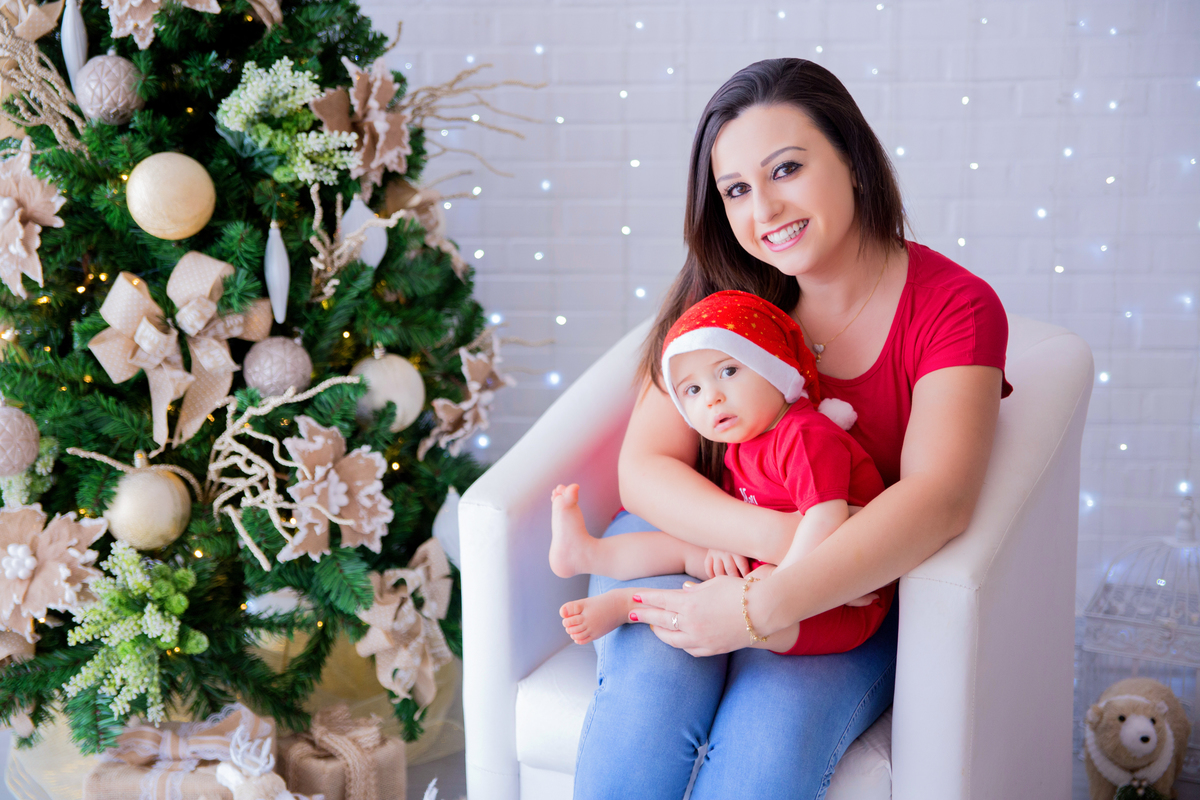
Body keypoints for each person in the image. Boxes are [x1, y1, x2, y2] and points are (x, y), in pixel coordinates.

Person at [572, 57, 1011, 800]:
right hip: (693, 546)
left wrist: (762, 606)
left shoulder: (954, 308)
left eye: (787, 170)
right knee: (648, 706)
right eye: (737, 190)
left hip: (841, 596)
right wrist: (770, 545)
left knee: (763, 759)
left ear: (853, 161)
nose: (765, 211)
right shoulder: (724, 290)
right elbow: (644, 470)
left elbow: (940, 498)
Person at [549, 289, 891, 651]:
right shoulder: (743, 445)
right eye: (693, 389)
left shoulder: (805, 436)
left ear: (773, 367)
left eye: (728, 371)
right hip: (779, 560)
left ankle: (630, 603)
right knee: (688, 546)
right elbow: (743, 507)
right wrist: (718, 543)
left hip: (834, 594)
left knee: (738, 586)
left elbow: (826, 521)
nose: (711, 397)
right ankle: (588, 554)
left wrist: (785, 589)